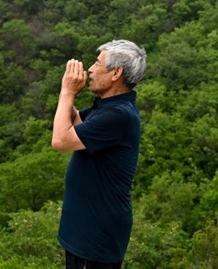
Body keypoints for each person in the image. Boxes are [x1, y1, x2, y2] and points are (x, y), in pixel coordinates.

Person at [51, 39, 147, 269]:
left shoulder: (119, 115)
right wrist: (69, 91)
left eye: (97, 63)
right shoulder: (107, 107)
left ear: (116, 73)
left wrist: (67, 91)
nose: (91, 69)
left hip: (96, 237)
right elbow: (74, 125)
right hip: (84, 231)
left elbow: (61, 140)